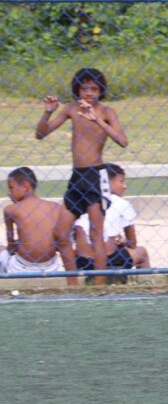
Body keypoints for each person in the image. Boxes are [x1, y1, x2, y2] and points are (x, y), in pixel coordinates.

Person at [34, 67, 128, 285]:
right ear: (77, 89)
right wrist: (48, 112)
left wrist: (97, 120)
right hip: (77, 177)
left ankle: (98, 285)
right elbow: (40, 134)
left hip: (95, 176)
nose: (89, 93)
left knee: (96, 234)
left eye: (94, 89)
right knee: (60, 233)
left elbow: (123, 141)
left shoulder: (106, 112)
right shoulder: (71, 109)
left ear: (100, 91)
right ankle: (73, 285)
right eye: (85, 88)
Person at [73, 164, 149, 278]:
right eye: (121, 181)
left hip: (81, 261)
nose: (125, 186)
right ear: (106, 183)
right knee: (142, 252)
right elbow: (132, 243)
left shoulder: (78, 202)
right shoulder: (121, 203)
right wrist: (123, 242)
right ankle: (144, 282)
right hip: (111, 260)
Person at [1, 167, 74, 282]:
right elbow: (60, 242)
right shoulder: (55, 207)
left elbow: (10, 247)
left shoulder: (10, 210)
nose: (9, 192)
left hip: (20, 268)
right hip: (52, 267)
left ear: (25, 186)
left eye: (11, 187)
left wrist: (16, 245)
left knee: (2, 250)